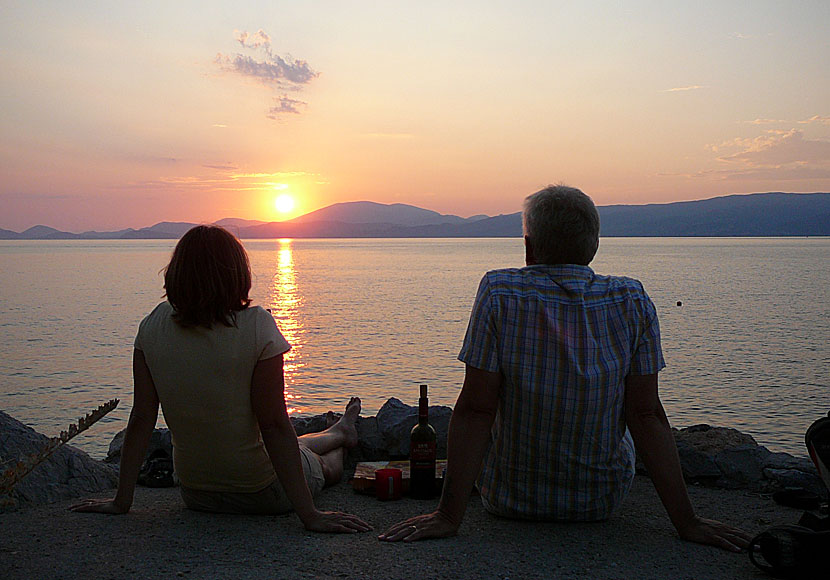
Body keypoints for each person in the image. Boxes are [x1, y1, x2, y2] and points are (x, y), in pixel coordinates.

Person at [380, 185, 751, 550]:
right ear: (594, 246)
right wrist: (688, 522)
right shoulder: (631, 298)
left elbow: (477, 409)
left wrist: (447, 515)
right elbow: (646, 415)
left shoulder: (500, 291)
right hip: (600, 502)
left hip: (510, 500)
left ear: (528, 247)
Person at [72, 225, 370, 534]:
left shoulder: (151, 325)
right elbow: (274, 425)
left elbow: (142, 417)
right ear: (236, 273)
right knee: (323, 467)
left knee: (293, 448)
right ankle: (342, 442)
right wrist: (310, 515)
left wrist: (122, 501)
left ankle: (338, 430)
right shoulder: (257, 325)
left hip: (196, 493)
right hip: (264, 493)